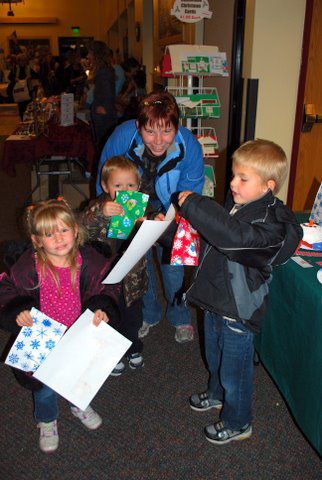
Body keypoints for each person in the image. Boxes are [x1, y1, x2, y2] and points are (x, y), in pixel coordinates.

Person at [175, 139, 302, 444]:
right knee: (214, 356)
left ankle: (238, 420)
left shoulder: (269, 223)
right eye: (233, 175)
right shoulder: (239, 204)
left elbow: (232, 238)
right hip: (215, 299)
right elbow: (210, 238)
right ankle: (218, 394)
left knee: (236, 371)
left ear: (267, 186)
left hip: (238, 311)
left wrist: (195, 204)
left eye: (242, 179)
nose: (232, 183)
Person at [0, 198, 120, 454]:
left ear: (75, 230)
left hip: (78, 333)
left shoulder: (90, 261)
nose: (58, 238)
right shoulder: (27, 266)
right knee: (44, 385)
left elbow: (106, 286)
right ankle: (47, 419)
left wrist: (102, 307)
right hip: (43, 336)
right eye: (48, 234)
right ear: (36, 241)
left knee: (79, 374)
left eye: (64, 230)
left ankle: (78, 403)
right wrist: (18, 311)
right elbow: (7, 290)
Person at [96, 91, 205, 344]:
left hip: (171, 207)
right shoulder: (123, 136)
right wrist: (109, 218)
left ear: (177, 128)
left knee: (173, 268)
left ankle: (179, 315)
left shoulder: (189, 147)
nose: (158, 141)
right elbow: (104, 178)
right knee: (138, 263)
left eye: (166, 131)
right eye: (150, 131)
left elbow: (190, 195)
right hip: (131, 202)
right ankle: (150, 312)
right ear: (138, 126)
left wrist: (168, 219)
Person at [82, 156, 147, 375]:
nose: (124, 191)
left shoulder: (139, 207)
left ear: (138, 186)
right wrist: (101, 213)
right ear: (105, 186)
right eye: (117, 186)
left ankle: (132, 347)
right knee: (109, 315)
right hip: (106, 278)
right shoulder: (98, 207)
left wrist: (148, 223)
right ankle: (111, 353)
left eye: (130, 185)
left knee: (133, 317)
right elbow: (83, 229)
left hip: (132, 278)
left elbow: (147, 240)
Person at [86, 41, 117, 151]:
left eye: (90, 53)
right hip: (103, 114)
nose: (88, 56)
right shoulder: (104, 70)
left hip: (103, 116)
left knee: (103, 146)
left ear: (96, 54)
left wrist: (103, 108)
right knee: (102, 145)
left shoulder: (104, 71)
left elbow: (108, 93)